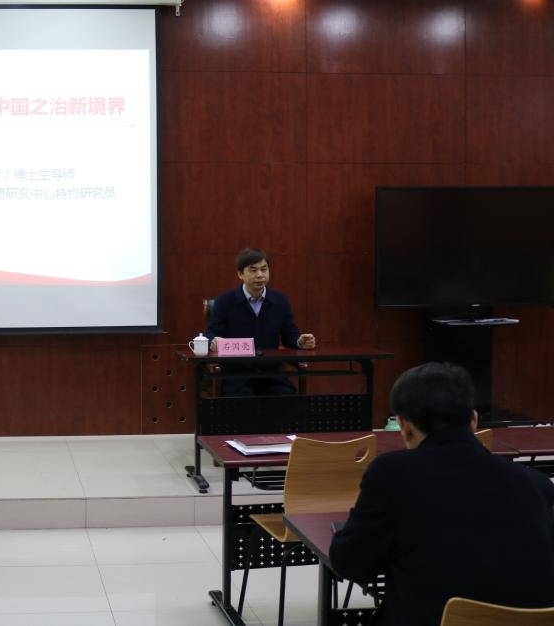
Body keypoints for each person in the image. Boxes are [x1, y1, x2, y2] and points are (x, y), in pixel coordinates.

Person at [330, 362, 554, 625]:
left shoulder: (392, 473)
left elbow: (350, 564)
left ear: (404, 426)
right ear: (474, 420)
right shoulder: (537, 484)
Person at [205, 247, 315, 395]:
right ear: (240, 274)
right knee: (243, 397)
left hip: (271, 374)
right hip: (237, 375)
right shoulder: (225, 302)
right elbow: (211, 333)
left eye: (264, 269)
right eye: (253, 270)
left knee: (286, 395)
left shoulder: (280, 301)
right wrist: (213, 341)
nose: (260, 275)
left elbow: (289, 335)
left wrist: (300, 342)